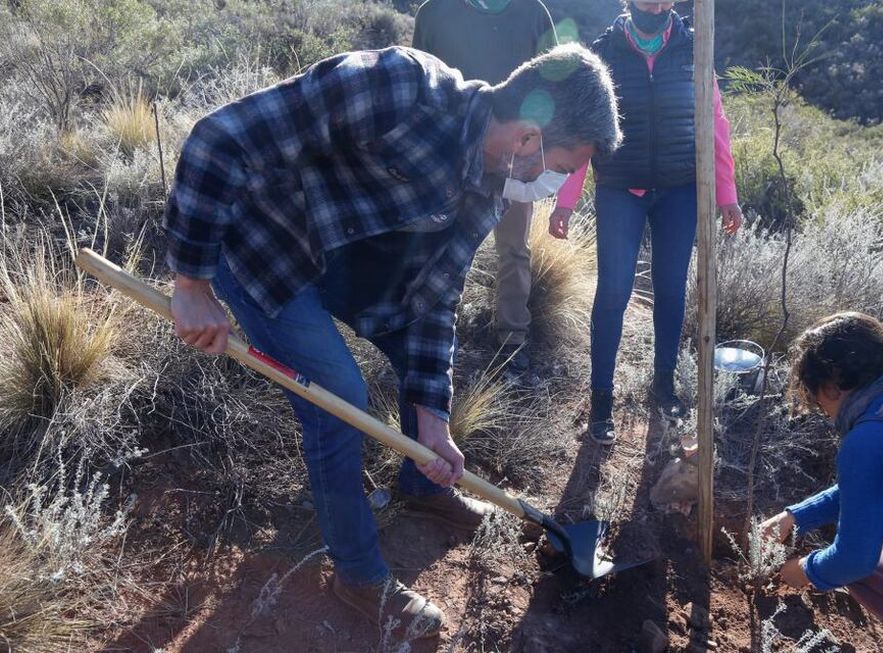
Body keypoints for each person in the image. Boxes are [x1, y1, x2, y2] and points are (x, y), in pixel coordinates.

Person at [163, 44, 620, 639]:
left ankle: (417, 478)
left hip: (351, 264)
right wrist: (191, 283)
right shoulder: (400, 88)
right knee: (341, 404)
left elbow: (434, 299)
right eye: (566, 163)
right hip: (266, 248)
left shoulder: (487, 184)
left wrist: (432, 417)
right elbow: (219, 139)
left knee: (422, 368)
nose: (561, 180)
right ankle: (356, 575)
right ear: (529, 137)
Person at [548, 0, 743, 444]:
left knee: (671, 290)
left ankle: (665, 387)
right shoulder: (606, 52)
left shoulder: (697, 48)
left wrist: (726, 195)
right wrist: (566, 200)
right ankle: (601, 400)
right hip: (621, 189)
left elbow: (715, 124)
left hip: (680, 190)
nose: (654, 5)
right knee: (614, 292)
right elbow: (587, 129)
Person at [760, 312, 883, 652]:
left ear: (832, 385)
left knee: (859, 570)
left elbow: (853, 559)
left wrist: (803, 569)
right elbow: (877, 477)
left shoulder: (870, 435)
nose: (819, 405)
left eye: (815, 393)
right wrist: (797, 516)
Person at [414, 0, 559, 375]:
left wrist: (535, 151)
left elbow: (554, 84)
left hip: (514, 157)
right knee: (435, 244)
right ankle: (425, 337)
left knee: (513, 248)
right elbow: (418, 85)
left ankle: (512, 340)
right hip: (449, 157)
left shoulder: (532, 13)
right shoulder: (435, 12)